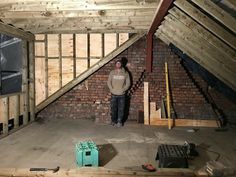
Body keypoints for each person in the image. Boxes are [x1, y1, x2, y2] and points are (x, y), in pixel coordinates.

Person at [107, 59, 131, 127]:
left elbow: (128, 83)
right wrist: (112, 89)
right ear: (115, 65)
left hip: (122, 94)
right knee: (113, 109)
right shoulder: (112, 72)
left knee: (121, 109)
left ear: (121, 65)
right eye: (117, 63)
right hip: (114, 94)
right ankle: (113, 121)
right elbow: (109, 82)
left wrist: (123, 89)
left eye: (119, 63)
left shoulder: (125, 73)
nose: (118, 64)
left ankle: (119, 122)